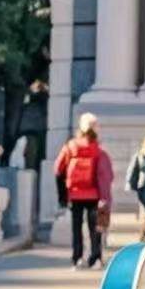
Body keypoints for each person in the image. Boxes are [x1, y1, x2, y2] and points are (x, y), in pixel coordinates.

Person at [54, 114, 113, 269]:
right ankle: (95, 257)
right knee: (95, 227)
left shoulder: (71, 146)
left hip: (75, 193)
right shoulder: (97, 149)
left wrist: (62, 195)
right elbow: (105, 174)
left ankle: (77, 257)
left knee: (76, 227)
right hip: (94, 194)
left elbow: (58, 169)